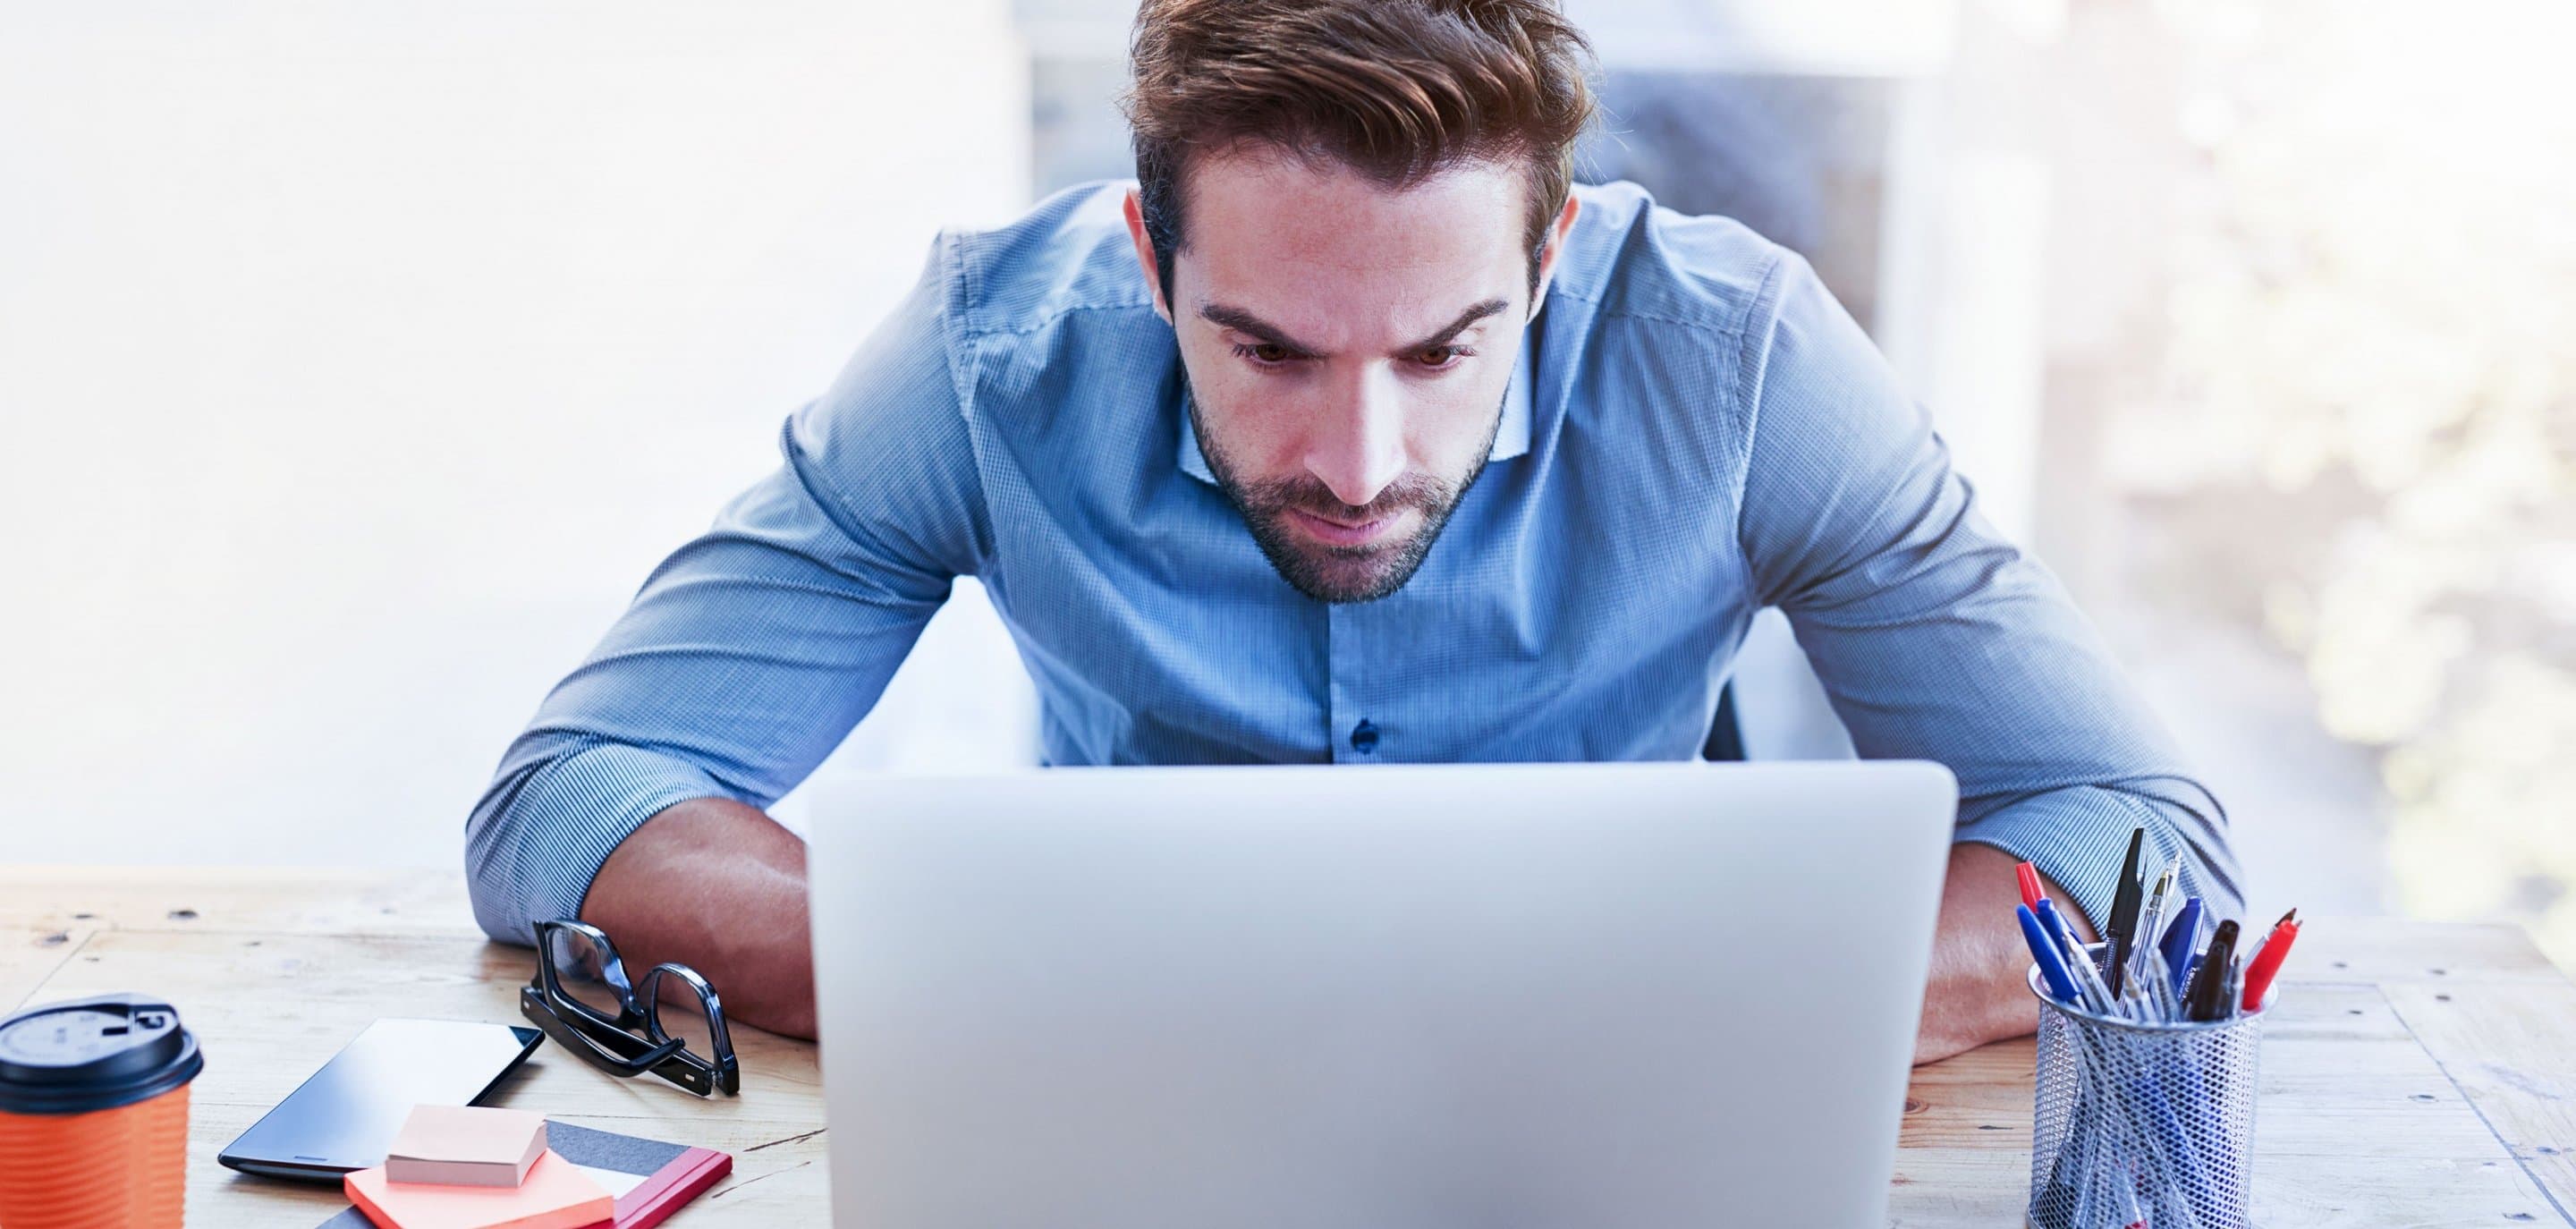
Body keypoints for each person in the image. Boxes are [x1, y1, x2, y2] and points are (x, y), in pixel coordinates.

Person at [466, 0, 2240, 1063]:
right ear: (1154, 264)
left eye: (1448, 346)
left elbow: (2141, 842)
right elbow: (576, 795)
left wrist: (1715, 997)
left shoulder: (1741, 358)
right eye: (1267, 347)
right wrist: (1020, 988)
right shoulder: (989, 359)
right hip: (1116, 1118)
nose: (1358, 458)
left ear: (1541, 265)